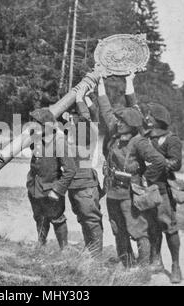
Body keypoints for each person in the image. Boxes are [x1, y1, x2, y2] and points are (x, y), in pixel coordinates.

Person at [96, 75, 167, 269]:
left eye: (122, 121)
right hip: (113, 193)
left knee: (137, 231)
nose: (118, 122)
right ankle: (127, 265)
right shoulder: (115, 133)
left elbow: (159, 161)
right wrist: (100, 85)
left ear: (132, 124)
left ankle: (143, 267)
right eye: (119, 120)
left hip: (130, 194)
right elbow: (106, 110)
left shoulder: (139, 142)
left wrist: (144, 177)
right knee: (118, 229)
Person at [0, 108, 76, 249]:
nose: (32, 126)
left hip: (51, 190)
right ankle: (41, 244)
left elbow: (70, 170)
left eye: (37, 123)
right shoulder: (35, 136)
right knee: (39, 217)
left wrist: (57, 190)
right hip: (35, 188)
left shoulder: (59, 141)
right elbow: (12, 142)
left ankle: (64, 249)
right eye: (32, 122)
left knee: (57, 219)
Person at [143, 103, 183, 283]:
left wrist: (157, 163)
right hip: (146, 189)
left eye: (150, 116)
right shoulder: (146, 138)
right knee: (152, 226)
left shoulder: (171, 139)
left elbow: (176, 163)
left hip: (164, 189)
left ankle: (175, 265)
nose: (146, 118)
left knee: (169, 227)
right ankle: (156, 260)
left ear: (158, 120)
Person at [64, 90, 104, 257]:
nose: (71, 122)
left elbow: (91, 115)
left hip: (85, 184)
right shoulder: (72, 136)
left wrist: (82, 98)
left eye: (75, 119)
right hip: (75, 184)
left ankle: (96, 256)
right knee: (83, 219)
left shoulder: (88, 134)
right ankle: (90, 249)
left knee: (91, 220)